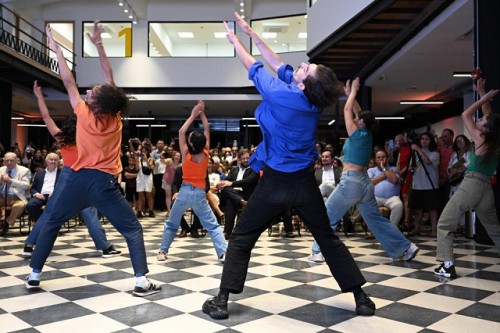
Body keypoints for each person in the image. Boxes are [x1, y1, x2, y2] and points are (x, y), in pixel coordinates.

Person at [202, 12, 375, 321]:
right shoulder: (305, 96)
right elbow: (277, 61)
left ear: (305, 81)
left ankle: (222, 300)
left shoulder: (281, 93)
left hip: (275, 184)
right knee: (326, 237)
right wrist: (251, 33)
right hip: (305, 185)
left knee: (242, 238)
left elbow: (251, 64)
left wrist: (234, 40)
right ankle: (361, 298)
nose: (302, 65)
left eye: (307, 67)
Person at [25, 21, 160, 297]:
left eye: (93, 93)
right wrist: (99, 44)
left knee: (51, 223)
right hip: (103, 184)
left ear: (98, 103)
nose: (89, 92)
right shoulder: (116, 119)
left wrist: (55, 47)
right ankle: (141, 281)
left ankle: (34, 275)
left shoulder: (84, 113)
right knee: (132, 229)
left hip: (75, 179)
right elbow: (109, 78)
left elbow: (68, 80)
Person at [308, 77, 418, 263]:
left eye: (358, 119)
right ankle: (406, 247)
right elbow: (360, 113)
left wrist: (351, 94)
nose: (356, 118)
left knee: (328, 214)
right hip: (365, 184)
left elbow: (347, 110)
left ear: (360, 123)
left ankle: (318, 252)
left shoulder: (357, 133)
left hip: (351, 182)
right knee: (376, 220)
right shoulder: (367, 133)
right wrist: (352, 94)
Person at [435, 78, 500, 279]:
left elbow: (466, 114)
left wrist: (484, 98)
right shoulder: (495, 141)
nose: (478, 120)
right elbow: (490, 117)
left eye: (481, 121)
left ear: (486, 129)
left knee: (445, 223)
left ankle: (447, 266)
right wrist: (482, 93)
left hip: (471, 185)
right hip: (486, 189)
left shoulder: (480, 138)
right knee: (495, 230)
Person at [157, 100, 227, 262]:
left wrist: (193, 114)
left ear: (189, 143)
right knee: (212, 225)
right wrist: (202, 113)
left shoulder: (185, 152)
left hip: (185, 191)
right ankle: (223, 253)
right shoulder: (206, 153)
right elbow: (207, 129)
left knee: (171, 223)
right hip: (200, 194)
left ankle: (162, 252)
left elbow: (181, 132)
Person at [218, 149, 259, 239]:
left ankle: (227, 232)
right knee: (226, 190)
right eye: (243, 158)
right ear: (239, 159)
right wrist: (222, 183)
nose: (245, 160)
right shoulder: (234, 170)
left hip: (245, 194)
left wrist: (231, 183)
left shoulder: (254, 170)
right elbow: (227, 180)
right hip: (236, 195)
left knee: (230, 202)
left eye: (247, 158)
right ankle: (241, 202)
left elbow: (247, 181)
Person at [408, 132, 440, 236]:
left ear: (431, 141)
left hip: (430, 184)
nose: (424, 141)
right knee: (418, 208)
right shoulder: (415, 153)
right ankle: (417, 228)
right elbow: (410, 167)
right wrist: (412, 168)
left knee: (432, 208)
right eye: (422, 139)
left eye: (426, 139)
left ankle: (434, 229)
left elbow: (428, 162)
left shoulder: (435, 153)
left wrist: (418, 149)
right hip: (417, 184)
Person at [367, 149, 403, 226]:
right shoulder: (371, 170)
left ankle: (391, 228)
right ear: (375, 159)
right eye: (378, 157)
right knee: (366, 204)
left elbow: (394, 180)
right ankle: (374, 228)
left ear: (387, 158)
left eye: (383, 157)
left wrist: (383, 168)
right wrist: (385, 175)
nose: (381, 159)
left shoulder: (394, 169)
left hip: (392, 197)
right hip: (376, 197)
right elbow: (370, 182)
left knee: (399, 205)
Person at [0, 152, 31, 235]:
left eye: (11, 160)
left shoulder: (24, 171)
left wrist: (10, 181)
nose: (9, 163)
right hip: (2, 196)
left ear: (16, 160)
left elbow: (26, 185)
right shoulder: (1, 170)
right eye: (7, 160)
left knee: (19, 206)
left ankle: (6, 224)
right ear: (4, 161)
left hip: (17, 197)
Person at [26, 153, 61, 222]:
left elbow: (65, 187)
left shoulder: (62, 173)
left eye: (55, 160)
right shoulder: (39, 173)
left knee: (52, 206)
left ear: (58, 162)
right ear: (46, 161)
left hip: (54, 196)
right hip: (41, 196)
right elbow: (32, 189)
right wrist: (37, 194)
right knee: (30, 205)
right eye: (51, 159)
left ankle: (47, 225)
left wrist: (55, 193)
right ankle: (41, 222)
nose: (53, 161)